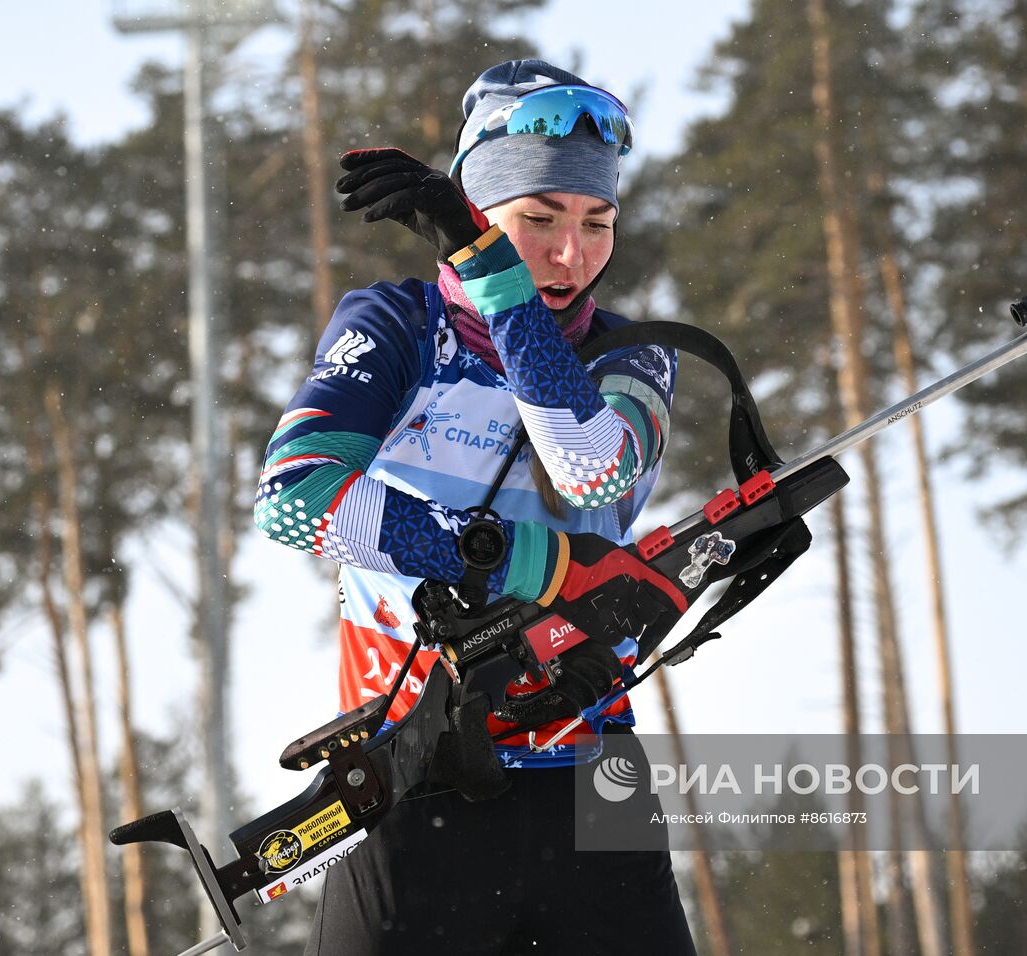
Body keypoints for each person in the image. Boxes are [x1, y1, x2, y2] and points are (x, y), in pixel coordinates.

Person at [255, 59, 697, 954]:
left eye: (596, 222)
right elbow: (296, 501)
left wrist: (496, 275)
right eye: (537, 221)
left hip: (588, 783)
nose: (570, 254)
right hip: (412, 783)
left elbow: (590, 471)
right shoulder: (395, 327)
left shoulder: (632, 354)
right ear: (477, 213)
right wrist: (520, 564)